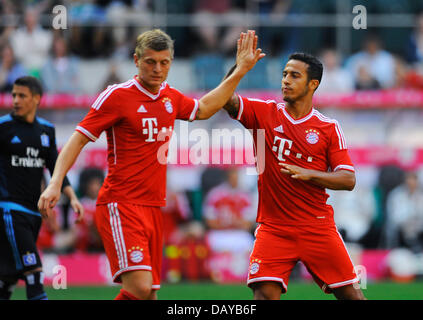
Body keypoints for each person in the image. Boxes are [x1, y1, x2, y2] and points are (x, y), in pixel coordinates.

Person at [38, 29, 264, 300]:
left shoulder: (170, 97)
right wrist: (54, 184)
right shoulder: (116, 96)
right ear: (136, 60)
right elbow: (77, 140)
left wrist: (239, 71)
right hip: (121, 205)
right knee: (140, 288)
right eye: (150, 62)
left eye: (164, 62)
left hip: (153, 208)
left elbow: (204, 108)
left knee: (149, 295)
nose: (157, 69)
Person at [222, 52, 366, 300]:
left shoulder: (328, 127)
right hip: (274, 228)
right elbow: (226, 100)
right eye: (284, 74)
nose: (286, 80)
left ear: (313, 84)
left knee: (352, 297)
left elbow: (348, 179)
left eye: (295, 75)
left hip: (317, 226)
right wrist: (240, 68)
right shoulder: (263, 113)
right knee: (265, 295)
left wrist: (309, 174)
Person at [0, 76, 83, 300]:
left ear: (36, 99)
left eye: (22, 95)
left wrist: (72, 197)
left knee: (6, 277)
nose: (15, 100)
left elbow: (55, 168)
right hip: (8, 210)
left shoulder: (47, 130)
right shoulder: (3, 127)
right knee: (33, 272)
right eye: (14, 95)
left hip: (34, 213)